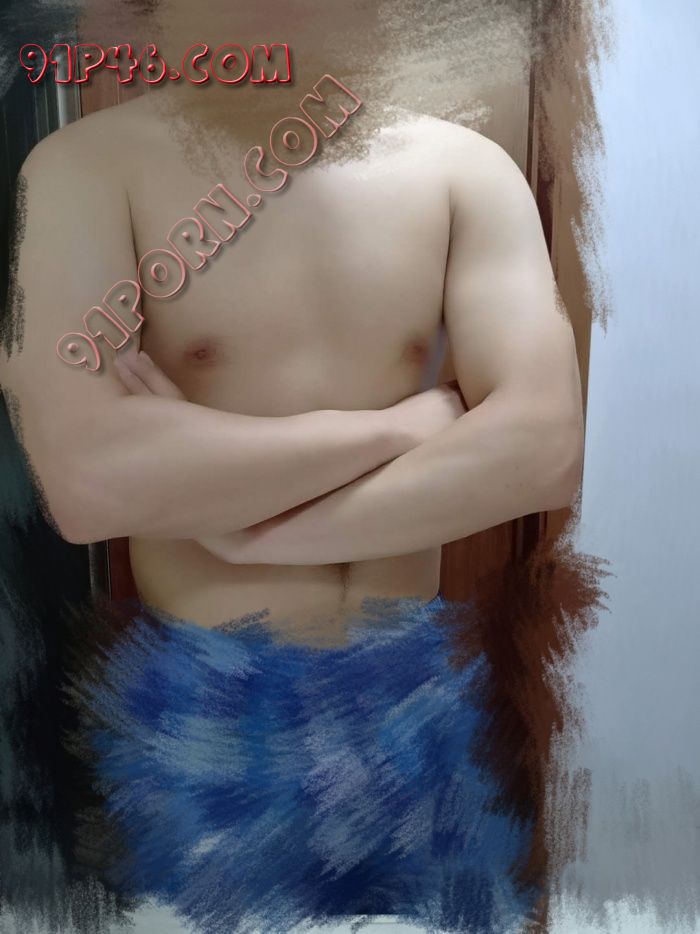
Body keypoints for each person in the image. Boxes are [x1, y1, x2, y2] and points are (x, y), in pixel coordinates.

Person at [0, 2, 584, 929]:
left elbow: (543, 446)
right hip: (210, 715)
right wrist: (399, 428)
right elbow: (88, 481)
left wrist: (247, 530)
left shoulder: (465, 169)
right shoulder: (86, 168)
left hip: (414, 700)